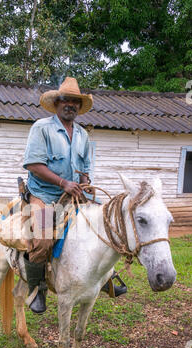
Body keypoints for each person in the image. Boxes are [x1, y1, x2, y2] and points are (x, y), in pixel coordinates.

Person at [23, 77, 126, 314]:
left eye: (75, 102)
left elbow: (84, 170)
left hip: (74, 194)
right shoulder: (42, 128)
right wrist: (63, 183)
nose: (70, 105)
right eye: (66, 100)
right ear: (57, 103)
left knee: (106, 225)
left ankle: (106, 278)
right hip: (44, 194)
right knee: (43, 239)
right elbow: (33, 164)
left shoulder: (82, 135)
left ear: (79, 107)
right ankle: (37, 290)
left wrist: (85, 184)